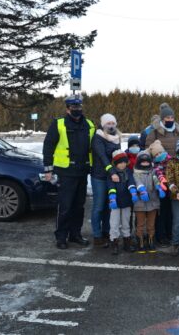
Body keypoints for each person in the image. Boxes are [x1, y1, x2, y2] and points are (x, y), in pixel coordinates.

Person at [43, 94, 94, 249]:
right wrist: (48, 169)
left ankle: (75, 234)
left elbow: (94, 148)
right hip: (65, 172)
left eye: (79, 107)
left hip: (82, 171)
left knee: (79, 206)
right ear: (67, 109)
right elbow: (48, 146)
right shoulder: (58, 124)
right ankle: (61, 237)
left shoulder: (90, 125)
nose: (77, 109)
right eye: (73, 107)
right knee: (65, 206)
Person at [90, 113, 122, 247]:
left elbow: (118, 156)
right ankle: (97, 235)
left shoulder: (116, 138)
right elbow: (102, 157)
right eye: (108, 123)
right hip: (99, 176)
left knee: (109, 206)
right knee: (98, 206)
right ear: (103, 125)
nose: (111, 126)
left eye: (113, 123)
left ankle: (106, 232)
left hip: (112, 176)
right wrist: (112, 171)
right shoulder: (97, 137)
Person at [107, 150, 137, 255]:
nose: (123, 164)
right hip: (115, 201)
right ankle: (114, 242)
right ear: (115, 163)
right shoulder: (112, 173)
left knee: (126, 222)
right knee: (114, 222)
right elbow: (110, 185)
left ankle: (127, 242)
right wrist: (112, 197)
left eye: (124, 162)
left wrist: (133, 192)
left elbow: (131, 182)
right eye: (120, 162)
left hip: (127, 201)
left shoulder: (128, 171)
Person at [132, 151, 163, 254]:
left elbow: (156, 180)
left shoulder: (153, 171)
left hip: (153, 202)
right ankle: (140, 240)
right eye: (143, 162)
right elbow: (137, 182)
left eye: (147, 162)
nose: (145, 164)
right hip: (140, 202)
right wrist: (142, 190)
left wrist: (159, 187)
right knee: (140, 224)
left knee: (151, 224)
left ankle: (151, 240)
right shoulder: (135, 173)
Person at [147, 139, 172, 246]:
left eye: (160, 152)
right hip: (161, 192)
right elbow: (157, 174)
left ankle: (169, 233)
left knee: (170, 213)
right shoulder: (155, 165)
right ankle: (161, 236)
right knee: (161, 214)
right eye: (156, 154)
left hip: (171, 191)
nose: (159, 155)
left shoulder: (171, 161)